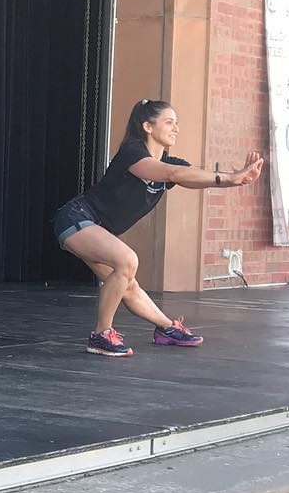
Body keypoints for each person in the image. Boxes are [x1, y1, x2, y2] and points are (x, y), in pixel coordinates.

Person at [54, 99, 264, 357]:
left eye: (177, 123)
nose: (176, 128)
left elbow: (191, 174)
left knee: (127, 283)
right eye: (169, 122)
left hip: (96, 227)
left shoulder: (169, 163)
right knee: (127, 261)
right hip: (76, 218)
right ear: (147, 127)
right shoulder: (132, 153)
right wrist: (229, 178)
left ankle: (166, 329)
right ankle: (100, 335)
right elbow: (172, 174)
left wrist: (235, 181)